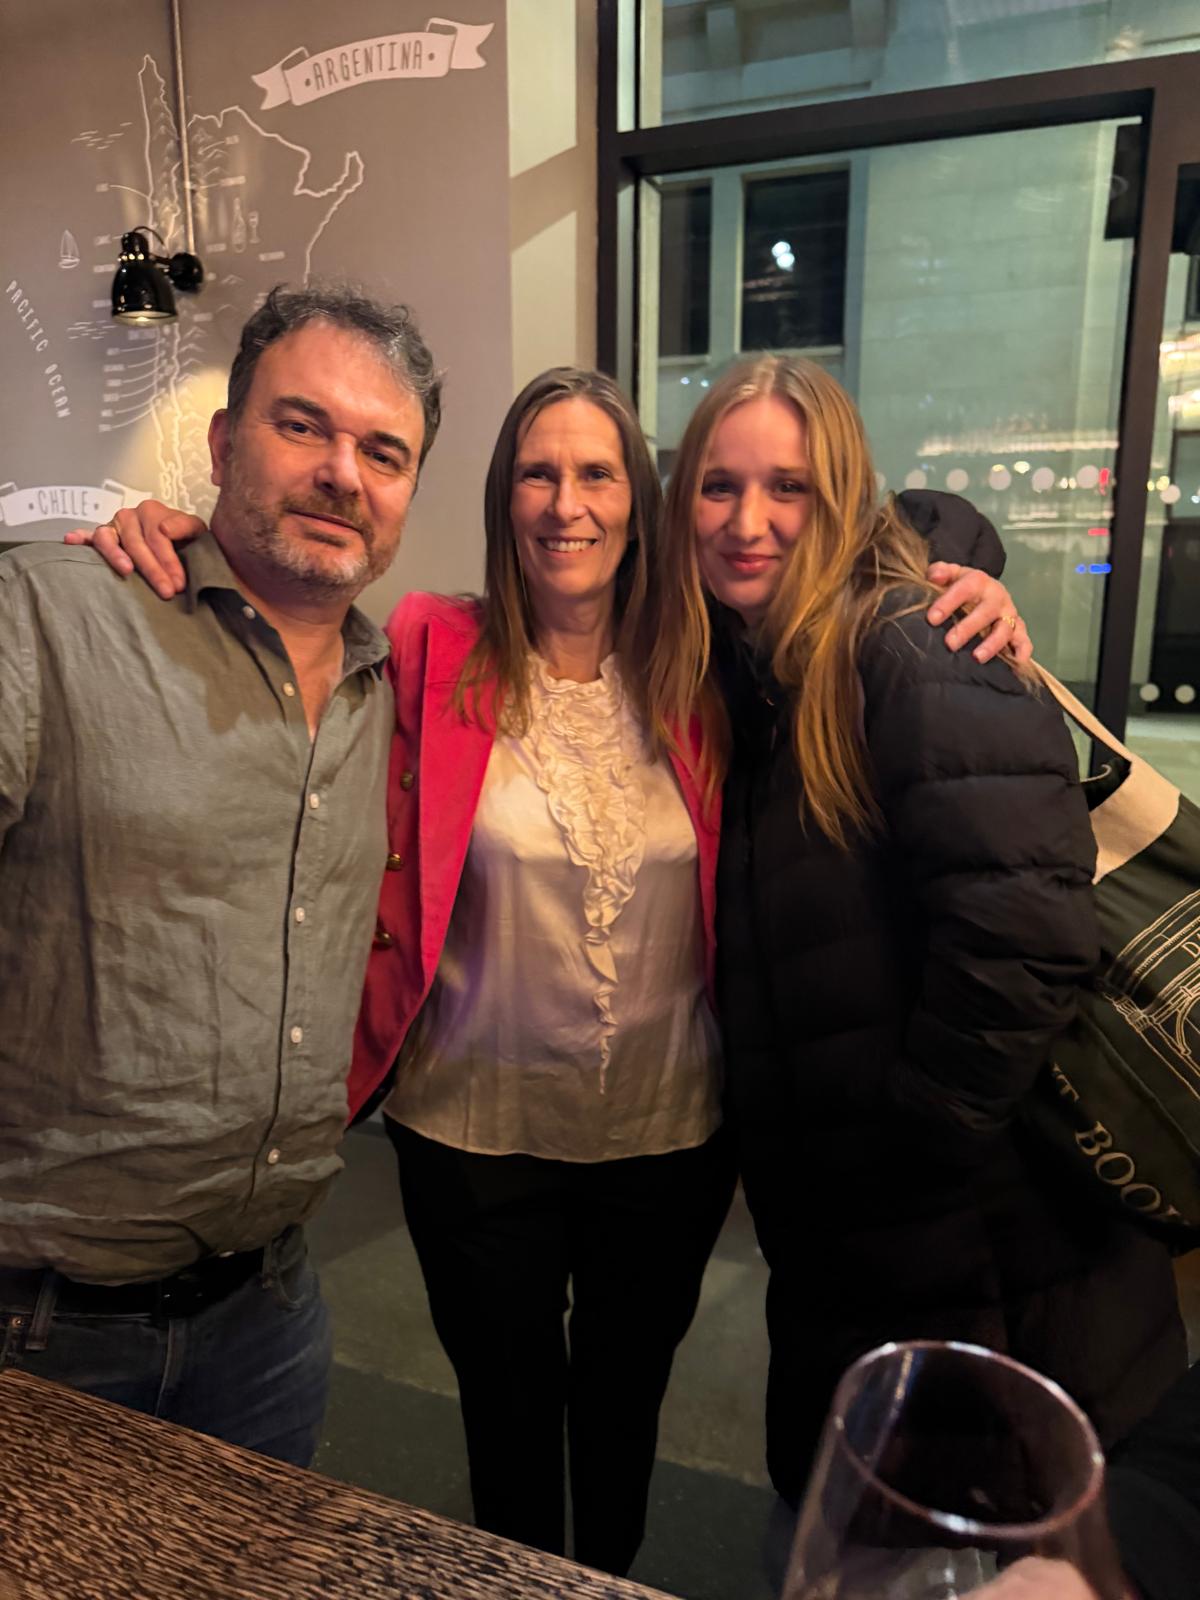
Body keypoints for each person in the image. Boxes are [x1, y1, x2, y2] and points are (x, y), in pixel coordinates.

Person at [73, 366, 1027, 1573]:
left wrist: (964, 569)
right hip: (473, 1137)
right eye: (538, 471)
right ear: (503, 496)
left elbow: (841, 566)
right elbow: (292, 621)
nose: (566, 503)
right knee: (508, 1422)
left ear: (640, 502)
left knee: (625, 1415)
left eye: (597, 474)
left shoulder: (709, 664)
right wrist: (176, 536)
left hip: (669, 1137)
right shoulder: (432, 645)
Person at [647, 353, 1187, 1516]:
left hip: (996, 1260)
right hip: (871, 1255)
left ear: (843, 495)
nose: (748, 521)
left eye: (788, 487)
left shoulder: (910, 645)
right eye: (718, 486)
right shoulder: (756, 678)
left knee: (996, 1554)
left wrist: (915, 1137)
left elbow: (1029, 934)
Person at [0, 283, 441, 1467]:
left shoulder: (395, 688)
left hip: (272, 1317)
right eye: (303, 426)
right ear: (222, 442)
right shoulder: (49, 619)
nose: (343, 473)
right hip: (40, 1330)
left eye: (384, 452)